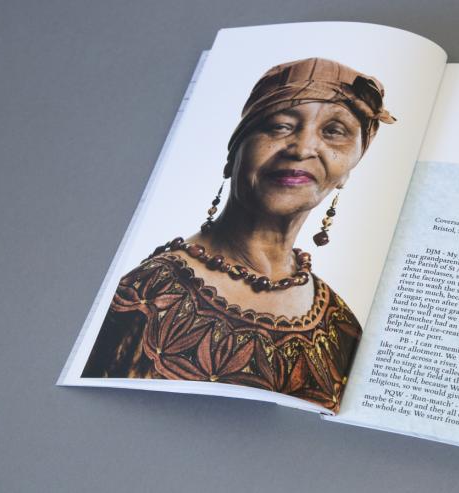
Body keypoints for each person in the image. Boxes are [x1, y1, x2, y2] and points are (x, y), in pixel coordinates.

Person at [82, 58, 396, 413]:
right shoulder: (148, 294)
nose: (303, 148)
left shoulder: (340, 323)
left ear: (347, 171)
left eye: (334, 131)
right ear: (234, 155)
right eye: (279, 126)